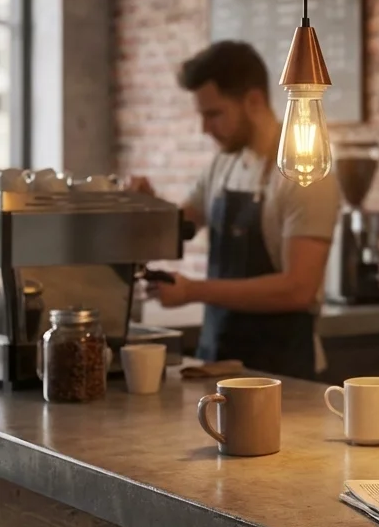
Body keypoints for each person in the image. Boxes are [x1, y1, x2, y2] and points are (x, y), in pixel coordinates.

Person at [133, 41, 339, 378]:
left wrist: (192, 290)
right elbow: (179, 224)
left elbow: (298, 289)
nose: (205, 129)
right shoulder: (225, 163)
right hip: (216, 360)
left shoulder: (305, 175)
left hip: (282, 372)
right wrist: (142, 207)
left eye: (214, 114)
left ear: (253, 101)